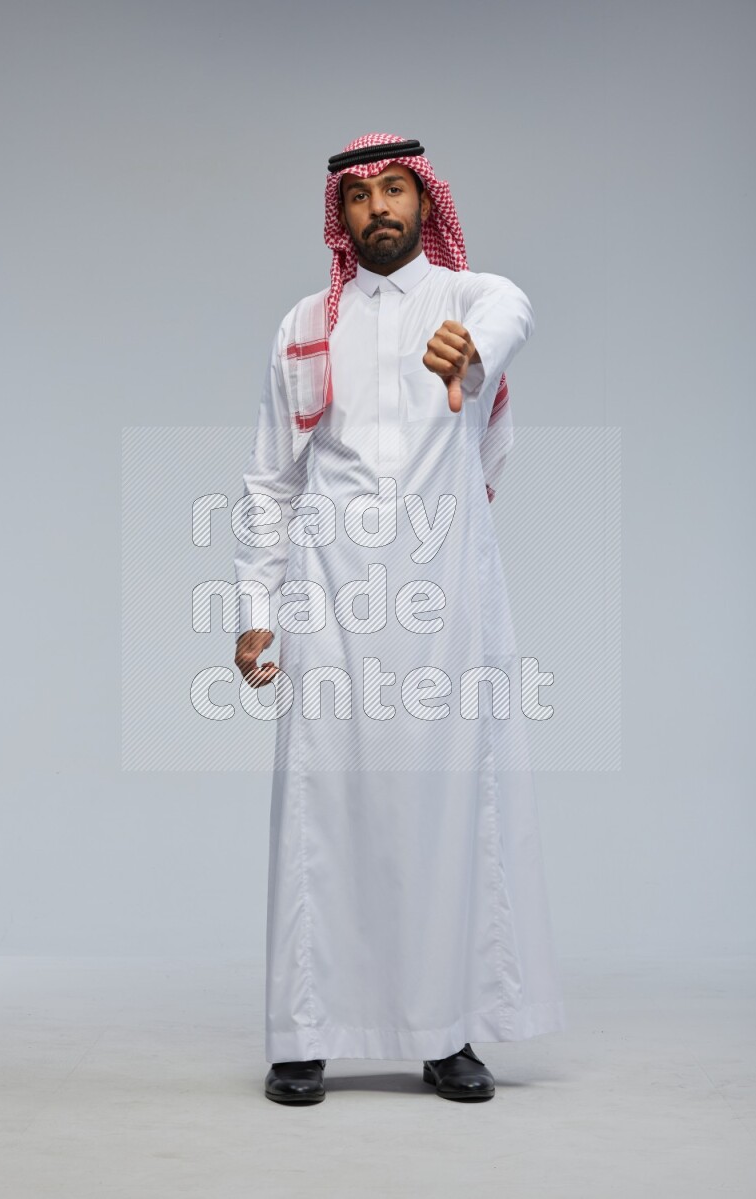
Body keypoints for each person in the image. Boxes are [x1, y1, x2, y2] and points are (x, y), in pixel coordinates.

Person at [232, 133, 565, 1105]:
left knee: (446, 807)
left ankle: (446, 1033)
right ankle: (303, 1032)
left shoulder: (469, 300)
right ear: (338, 218)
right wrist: (256, 608)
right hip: (330, 595)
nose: (379, 208)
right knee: (320, 811)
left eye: (395, 190)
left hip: (447, 603)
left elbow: (512, 307)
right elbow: (268, 478)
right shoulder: (302, 323)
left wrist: (473, 349)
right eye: (360, 196)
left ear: (424, 204)